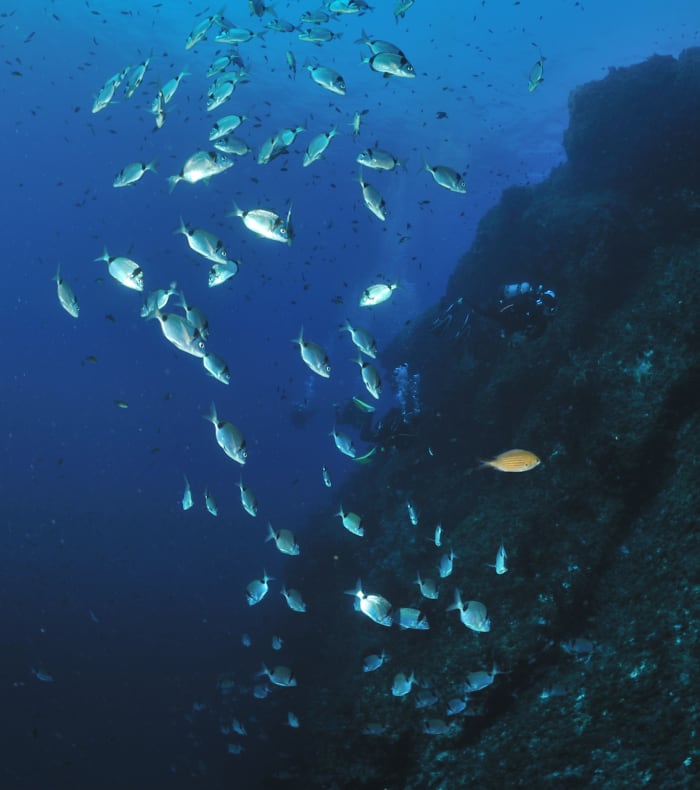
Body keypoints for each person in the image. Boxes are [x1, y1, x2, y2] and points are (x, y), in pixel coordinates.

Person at [432, 282, 557, 341]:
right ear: (545, 305)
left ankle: (465, 317)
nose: (551, 313)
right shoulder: (528, 303)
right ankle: (457, 304)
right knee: (480, 310)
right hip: (500, 312)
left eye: (552, 310)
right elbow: (506, 309)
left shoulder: (542, 321)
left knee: (481, 314)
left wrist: (522, 337)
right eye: (550, 309)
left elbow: (533, 335)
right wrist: (503, 315)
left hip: (505, 319)